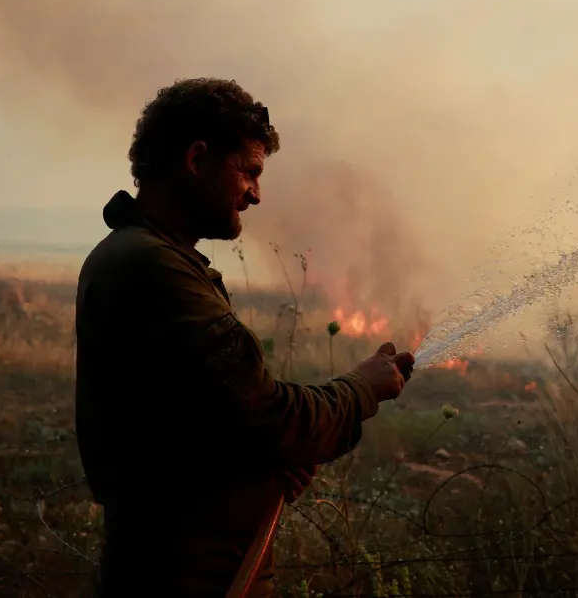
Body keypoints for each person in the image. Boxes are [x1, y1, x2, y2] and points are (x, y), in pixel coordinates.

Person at [74, 78, 415, 597]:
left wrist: (262, 468)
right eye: (249, 172)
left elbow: (199, 421)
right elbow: (269, 416)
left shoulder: (145, 257)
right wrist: (361, 389)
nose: (256, 194)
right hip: (187, 577)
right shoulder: (155, 268)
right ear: (196, 159)